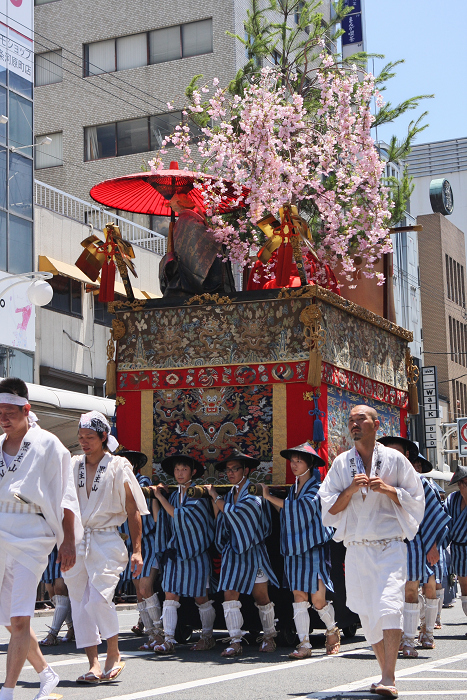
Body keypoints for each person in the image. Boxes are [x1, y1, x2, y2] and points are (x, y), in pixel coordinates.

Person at [319, 405, 424, 699]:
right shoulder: (341, 464)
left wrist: (390, 490)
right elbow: (329, 509)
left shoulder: (394, 460)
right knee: (368, 612)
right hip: (356, 549)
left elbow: (417, 500)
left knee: (389, 605)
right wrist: (349, 491)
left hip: (389, 546)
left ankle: (389, 676)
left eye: (360, 419)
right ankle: (383, 673)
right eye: (350, 420)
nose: (354, 424)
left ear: (376, 425)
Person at [0, 377, 81, 700]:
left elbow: (66, 495)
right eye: (0, 411)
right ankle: (47, 673)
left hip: (32, 534)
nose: (4, 416)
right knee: (8, 619)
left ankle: (7, 693)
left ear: (26, 409)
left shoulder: (48, 445)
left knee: (20, 619)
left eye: (10, 410)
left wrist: (69, 540)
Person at [62, 411, 148, 684]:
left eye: (89, 437)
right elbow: (63, 505)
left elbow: (132, 508)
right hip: (76, 538)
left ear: (103, 437)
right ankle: (93, 664)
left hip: (107, 538)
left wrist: (137, 549)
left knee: (99, 599)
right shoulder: (73, 464)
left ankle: (113, 651)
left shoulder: (119, 465)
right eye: (80, 437)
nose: (84, 442)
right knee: (80, 602)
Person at [262, 443, 340, 659]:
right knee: (298, 596)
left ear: (310, 464)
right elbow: (287, 513)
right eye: (292, 461)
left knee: (317, 600)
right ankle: (304, 643)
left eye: (299, 461)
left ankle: (332, 630)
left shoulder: (317, 487)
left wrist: (268, 496)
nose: (294, 465)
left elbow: (301, 510)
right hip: (294, 549)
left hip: (313, 548)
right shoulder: (293, 489)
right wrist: (276, 501)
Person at [378, 437, 450, 658]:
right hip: (387, 543)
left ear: (406, 455)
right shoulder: (378, 481)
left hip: (415, 543)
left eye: (396, 452)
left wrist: (434, 545)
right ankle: (398, 636)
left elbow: (435, 517)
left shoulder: (421, 482)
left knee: (412, 590)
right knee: (392, 594)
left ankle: (412, 639)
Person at [206, 449, 279, 657]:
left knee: (261, 596)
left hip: (253, 550)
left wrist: (215, 497)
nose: (230, 473)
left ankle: (269, 636)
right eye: (228, 470)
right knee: (229, 594)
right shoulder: (229, 494)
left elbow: (239, 515)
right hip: (233, 551)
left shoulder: (253, 492)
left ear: (245, 471)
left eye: (235, 469)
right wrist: (218, 503)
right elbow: (223, 518)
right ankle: (235, 640)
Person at [151, 454, 216, 655]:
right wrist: (157, 498)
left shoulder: (197, 494)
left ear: (193, 471)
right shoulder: (173, 496)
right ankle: (168, 639)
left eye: (184, 469)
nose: (180, 473)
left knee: (200, 597)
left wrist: (160, 497)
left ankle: (207, 636)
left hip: (195, 551)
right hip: (175, 552)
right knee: (170, 595)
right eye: (177, 469)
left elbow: (181, 516)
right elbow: (160, 519)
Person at [117, 450, 162, 651]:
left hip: (148, 543)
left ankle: (160, 633)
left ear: (133, 465)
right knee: (139, 591)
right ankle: (151, 634)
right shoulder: (116, 484)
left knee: (145, 588)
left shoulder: (142, 482)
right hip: (128, 544)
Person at [445, 464, 467, 631]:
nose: (463, 487)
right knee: (465, 590)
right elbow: (444, 521)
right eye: (462, 483)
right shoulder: (452, 499)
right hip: (459, 550)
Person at [39, 548, 74, 646]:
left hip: (62, 549)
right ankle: (72, 627)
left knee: (60, 591)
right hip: (46, 551)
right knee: (53, 595)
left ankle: (53, 634)